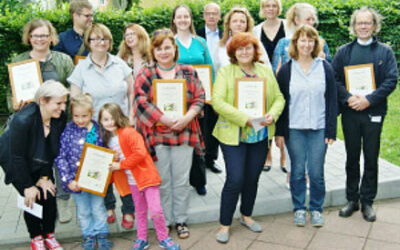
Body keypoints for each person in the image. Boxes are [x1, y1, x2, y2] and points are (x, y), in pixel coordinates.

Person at [212, 32, 285, 243]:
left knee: (252, 178)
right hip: (233, 134)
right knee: (235, 178)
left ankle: (246, 215)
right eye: (239, 48)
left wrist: (273, 114)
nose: (244, 52)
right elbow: (218, 102)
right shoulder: (226, 72)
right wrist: (245, 118)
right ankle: (225, 224)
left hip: (260, 134)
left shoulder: (265, 70)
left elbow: (279, 97)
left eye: (248, 47)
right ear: (233, 52)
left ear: (255, 50)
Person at [134, 28, 205, 239]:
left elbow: (200, 97)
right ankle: (163, 220)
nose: (164, 52)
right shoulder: (146, 73)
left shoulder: (188, 71)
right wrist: (163, 118)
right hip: (157, 136)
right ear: (152, 51)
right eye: (159, 49)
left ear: (175, 49)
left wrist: (187, 117)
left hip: (184, 132)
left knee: (182, 180)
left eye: (167, 47)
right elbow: (140, 101)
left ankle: (181, 219)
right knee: (162, 181)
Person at [333, 7, 398, 222]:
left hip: (373, 112)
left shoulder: (385, 52)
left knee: (371, 157)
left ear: (374, 25)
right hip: (351, 112)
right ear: (354, 26)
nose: (363, 26)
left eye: (367, 23)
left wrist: (369, 99)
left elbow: (391, 80)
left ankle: (368, 200)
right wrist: (348, 98)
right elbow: (335, 79)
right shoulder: (344, 52)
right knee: (352, 157)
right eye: (359, 23)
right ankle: (352, 199)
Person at [68, 23, 135, 228]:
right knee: (101, 167)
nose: (100, 42)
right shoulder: (80, 69)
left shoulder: (120, 64)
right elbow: (75, 99)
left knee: (124, 169)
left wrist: (131, 114)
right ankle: (108, 206)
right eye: (95, 38)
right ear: (88, 42)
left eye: (104, 38)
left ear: (110, 41)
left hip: (121, 126)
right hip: (95, 128)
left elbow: (132, 91)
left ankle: (129, 210)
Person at [10, 18, 75, 224]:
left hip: (57, 119)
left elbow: (72, 91)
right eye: (36, 35)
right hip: (31, 122)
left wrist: (70, 116)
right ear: (29, 37)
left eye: (44, 35)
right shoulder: (20, 62)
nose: (40, 39)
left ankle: (63, 201)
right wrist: (14, 104)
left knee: (58, 159)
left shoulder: (63, 60)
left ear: (51, 37)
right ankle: (36, 202)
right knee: (33, 161)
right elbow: (10, 93)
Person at [275, 25, 337, 227]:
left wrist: (331, 130)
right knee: (298, 171)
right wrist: (280, 132)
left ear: (315, 43)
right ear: (295, 43)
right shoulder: (286, 70)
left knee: (317, 172)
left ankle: (317, 209)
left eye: (310, 40)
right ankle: (299, 208)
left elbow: (332, 100)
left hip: (319, 128)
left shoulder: (325, 67)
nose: (306, 44)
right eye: (302, 40)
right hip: (295, 128)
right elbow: (281, 102)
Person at [99, 103, 180, 250]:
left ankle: (164, 238)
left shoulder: (129, 132)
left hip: (146, 178)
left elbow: (140, 153)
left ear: (119, 118)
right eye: (105, 119)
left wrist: (121, 164)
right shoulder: (107, 140)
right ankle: (142, 238)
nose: (110, 122)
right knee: (140, 211)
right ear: (100, 121)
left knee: (155, 210)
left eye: (112, 118)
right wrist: (114, 160)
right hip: (132, 181)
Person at [0, 80, 69, 250]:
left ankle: (49, 235)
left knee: (49, 194)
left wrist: (44, 177)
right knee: (32, 197)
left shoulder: (59, 117)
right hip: (15, 160)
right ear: (43, 101)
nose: (63, 107)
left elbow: (51, 148)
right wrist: (29, 185)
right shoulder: (23, 120)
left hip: (41, 159)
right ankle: (36, 237)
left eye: (64, 103)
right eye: (58, 103)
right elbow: (17, 157)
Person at [55, 93, 112, 250]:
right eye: (76, 116)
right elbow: (61, 157)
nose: (80, 120)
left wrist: (112, 159)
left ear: (92, 112)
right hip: (76, 182)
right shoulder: (68, 131)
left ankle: (101, 235)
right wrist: (68, 180)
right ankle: (88, 235)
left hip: (96, 182)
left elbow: (106, 152)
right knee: (84, 211)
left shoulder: (99, 129)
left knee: (99, 208)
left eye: (84, 116)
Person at [171, 4, 217, 195]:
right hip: (178, 101)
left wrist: (209, 99)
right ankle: (179, 181)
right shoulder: (170, 43)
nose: (183, 20)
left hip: (200, 101)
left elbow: (210, 70)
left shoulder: (200, 43)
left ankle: (199, 181)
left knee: (199, 141)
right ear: (174, 20)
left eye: (186, 17)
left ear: (191, 19)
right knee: (181, 142)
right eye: (179, 17)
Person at [253, 0, 288, 173]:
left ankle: (283, 155)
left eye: (274, 5)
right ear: (262, 9)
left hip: (286, 80)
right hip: (263, 81)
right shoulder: (256, 30)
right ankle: (267, 156)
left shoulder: (288, 26)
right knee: (265, 116)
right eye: (267, 5)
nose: (270, 9)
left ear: (278, 8)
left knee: (282, 116)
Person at [272, 2, 332, 73]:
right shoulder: (284, 43)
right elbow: (275, 70)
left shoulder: (320, 41)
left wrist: (324, 61)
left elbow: (330, 69)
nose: (311, 22)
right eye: (308, 19)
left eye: (313, 19)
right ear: (297, 20)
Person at [213, 6, 270, 73]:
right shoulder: (221, 45)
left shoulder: (256, 44)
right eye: (234, 21)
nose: (238, 24)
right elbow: (215, 70)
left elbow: (267, 68)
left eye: (242, 21)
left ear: (247, 25)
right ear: (229, 24)